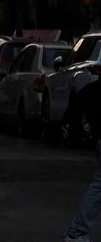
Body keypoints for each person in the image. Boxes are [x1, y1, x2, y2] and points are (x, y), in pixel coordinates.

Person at [62, 81, 101, 242]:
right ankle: (77, 232)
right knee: (99, 187)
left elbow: (77, 103)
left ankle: (77, 232)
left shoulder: (95, 87)